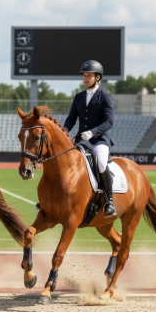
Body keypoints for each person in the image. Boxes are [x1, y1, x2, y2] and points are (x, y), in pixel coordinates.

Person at [63, 60, 117, 217]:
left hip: (99, 141)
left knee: (101, 163)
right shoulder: (79, 97)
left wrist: (93, 132)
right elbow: (71, 118)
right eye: (84, 76)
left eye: (89, 76)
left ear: (97, 77)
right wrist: (64, 130)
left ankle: (109, 201)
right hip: (81, 140)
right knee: (63, 160)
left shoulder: (105, 97)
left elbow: (109, 121)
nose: (85, 79)